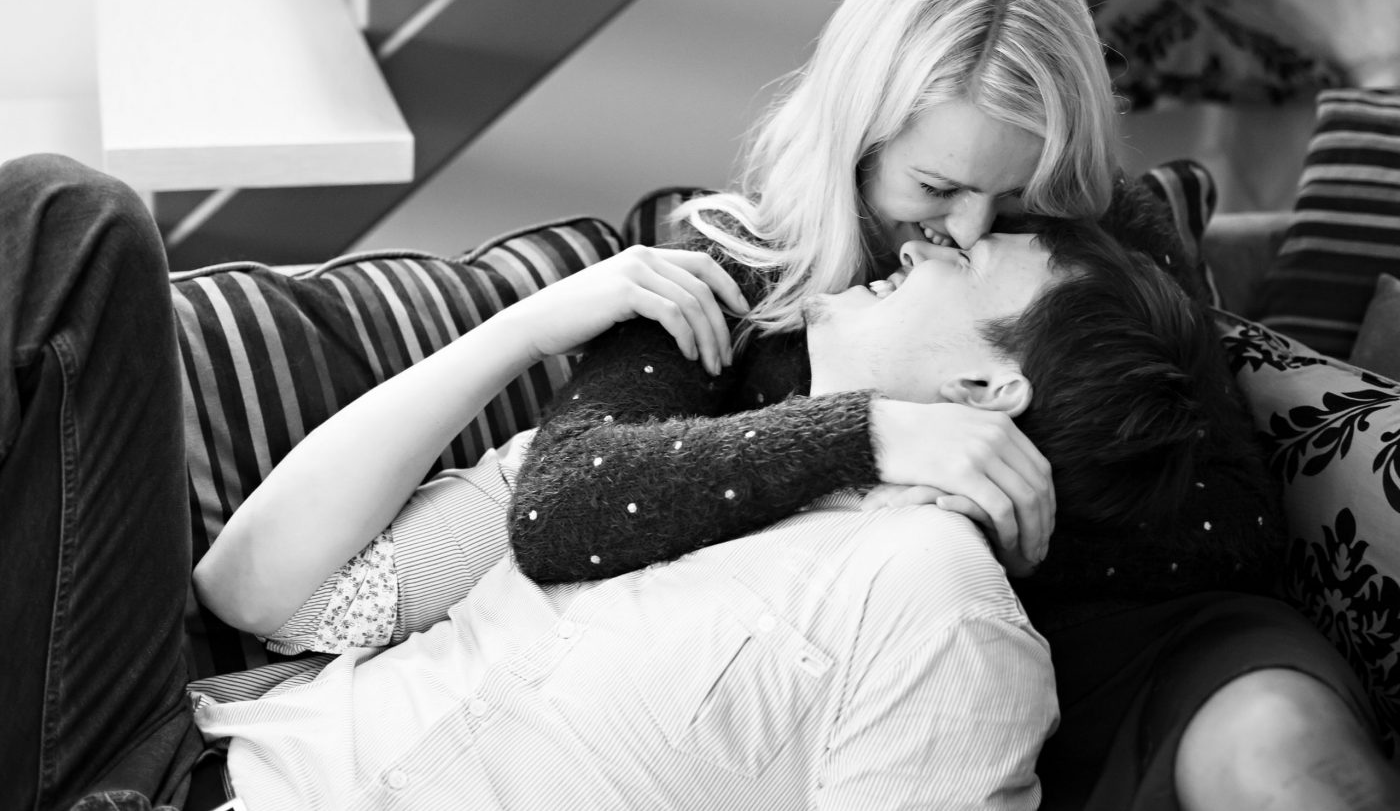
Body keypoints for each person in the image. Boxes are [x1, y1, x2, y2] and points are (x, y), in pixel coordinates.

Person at [502, 0, 1400, 811]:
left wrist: (1005, 511)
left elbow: (1238, 522)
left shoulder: (1108, 233)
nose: (971, 227)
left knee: (1289, 758)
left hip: (1138, 645)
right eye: (936, 189)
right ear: (855, 141)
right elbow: (556, 510)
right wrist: (865, 437)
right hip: (878, 689)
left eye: (1018, 195)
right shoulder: (734, 267)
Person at [1, 153, 1148, 809]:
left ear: (987, 387)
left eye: (966, 254)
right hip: (167, 744)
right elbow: (255, 592)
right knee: (68, 223)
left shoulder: (940, 608)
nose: (921, 243)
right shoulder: (643, 464)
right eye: (933, 201)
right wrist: (531, 325)